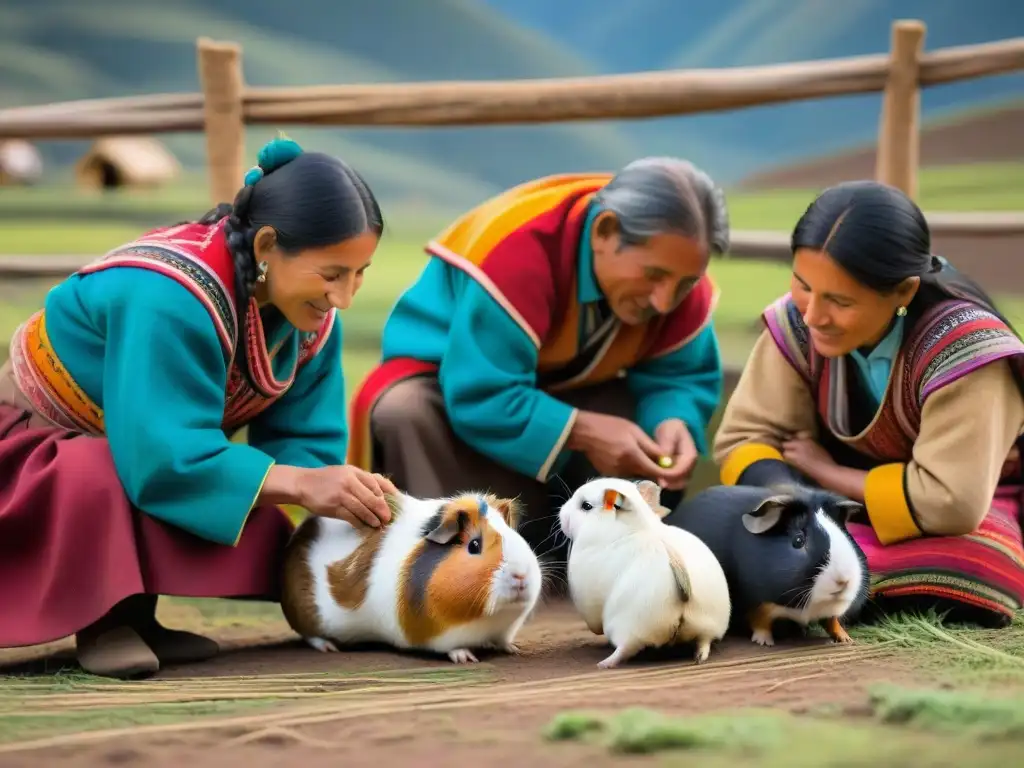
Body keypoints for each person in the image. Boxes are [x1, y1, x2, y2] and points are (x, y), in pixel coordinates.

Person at [0, 137, 398, 679]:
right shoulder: (171, 295)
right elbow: (162, 458)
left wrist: (332, 489)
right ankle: (101, 616)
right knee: (103, 472)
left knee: (226, 487)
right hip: (39, 445)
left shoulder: (311, 323)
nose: (344, 296)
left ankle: (143, 617)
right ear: (265, 247)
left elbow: (304, 442)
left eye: (360, 274)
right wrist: (298, 484)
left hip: (143, 446)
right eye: (331, 274)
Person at [347, 158, 729, 558]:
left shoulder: (679, 273)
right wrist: (581, 430)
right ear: (606, 232)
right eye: (652, 275)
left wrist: (673, 420)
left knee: (643, 427)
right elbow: (485, 395)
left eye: (685, 283)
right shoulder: (518, 253)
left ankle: (593, 569)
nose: (664, 301)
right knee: (405, 411)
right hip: (455, 392)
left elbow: (681, 376)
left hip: (565, 393)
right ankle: (453, 564)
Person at [714, 179, 1024, 628]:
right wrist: (796, 508)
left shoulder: (969, 352)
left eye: (840, 300)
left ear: (903, 292)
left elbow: (951, 502)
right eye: (802, 285)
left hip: (962, 517)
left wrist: (828, 473)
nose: (813, 315)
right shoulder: (798, 324)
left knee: (981, 564)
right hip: (828, 513)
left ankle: (790, 588)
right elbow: (746, 438)